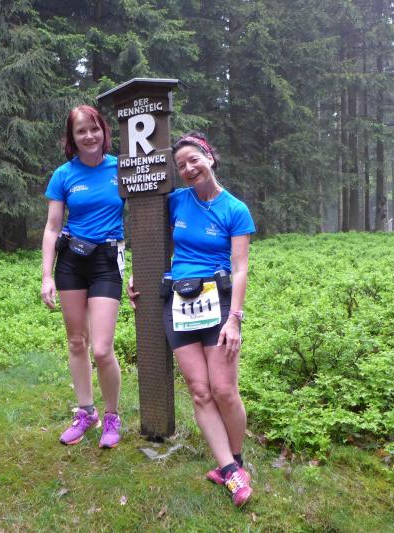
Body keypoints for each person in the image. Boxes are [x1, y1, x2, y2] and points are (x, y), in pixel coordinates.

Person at [128, 132, 256, 506]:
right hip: (179, 302)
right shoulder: (176, 202)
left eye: (193, 160)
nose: (188, 169)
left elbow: (241, 267)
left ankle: (235, 461)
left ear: (209, 158)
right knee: (200, 391)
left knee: (224, 390)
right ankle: (229, 470)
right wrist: (140, 273)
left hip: (219, 302)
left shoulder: (236, 209)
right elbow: (151, 239)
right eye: (181, 165)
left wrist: (235, 319)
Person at [41, 104, 125, 449]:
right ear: (72, 138)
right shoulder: (63, 175)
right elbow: (52, 227)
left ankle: (112, 416)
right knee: (77, 342)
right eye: (80, 131)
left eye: (94, 128)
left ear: (104, 131)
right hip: (71, 262)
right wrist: (46, 276)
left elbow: (147, 213)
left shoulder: (122, 168)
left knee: (102, 349)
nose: (89, 136)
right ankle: (86, 412)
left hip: (107, 261)